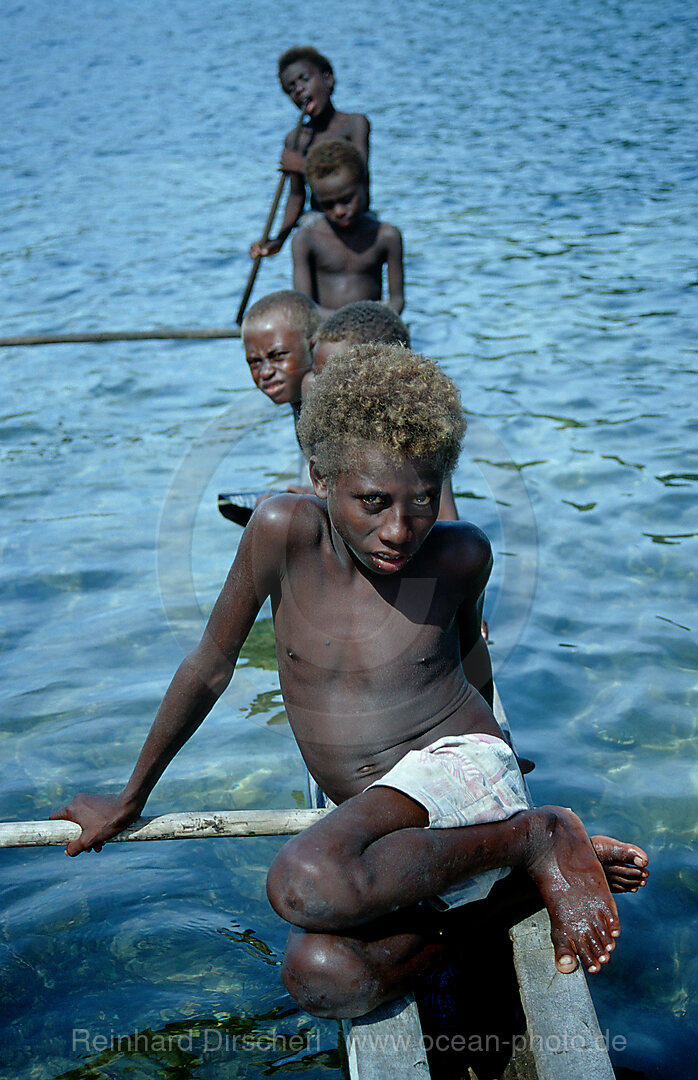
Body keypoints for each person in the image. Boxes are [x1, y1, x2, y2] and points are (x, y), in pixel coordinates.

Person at [52, 346, 648, 1020]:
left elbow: (465, 660)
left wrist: (502, 769)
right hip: (393, 833)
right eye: (372, 502)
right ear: (320, 476)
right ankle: (510, 899)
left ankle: (538, 836)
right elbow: (209, 667)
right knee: (322, 975)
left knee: (304, 880)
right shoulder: (281, 533)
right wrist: (130, 798)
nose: (399, 529)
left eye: (423, 501)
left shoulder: (461, 555)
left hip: (455, 772)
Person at [299, 301, 459, 521]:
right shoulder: (319, 407)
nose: (319, 386)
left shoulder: (418, 439)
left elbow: (447, 519)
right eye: (318, 374)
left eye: (335, 376)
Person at [249, 47, 370, 261]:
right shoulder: (296, 140)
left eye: (304, 79)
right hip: (319, 219)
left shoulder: (354, 124)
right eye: (291, 88)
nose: (298, 90)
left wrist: (303, 166)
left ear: (327, 79)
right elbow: (296, 196)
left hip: (356, 213)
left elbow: (358, 173)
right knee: (304, 236)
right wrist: (279, 239)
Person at [292, 140, 404, 318]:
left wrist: (373, 323)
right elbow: (305, 306)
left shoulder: (387, 236)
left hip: (372, 331)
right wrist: (347, 325)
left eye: (347, 199)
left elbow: (397, 300)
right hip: (327, 336)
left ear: (364, 184)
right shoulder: (306, 239)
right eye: (327, 205)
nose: (339, 211)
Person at [241, 289, 320, 425]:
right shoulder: (302, 399)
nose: (266, 372)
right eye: (254, 362)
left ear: (313, 348)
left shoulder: (329, 406)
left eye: (278, 356)